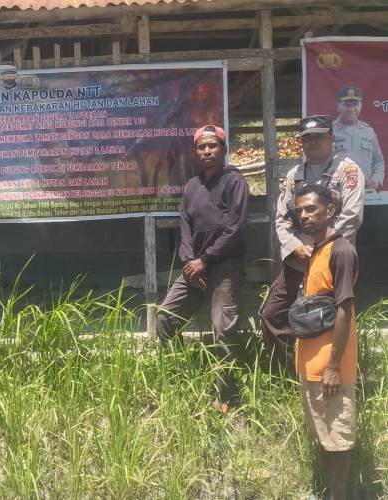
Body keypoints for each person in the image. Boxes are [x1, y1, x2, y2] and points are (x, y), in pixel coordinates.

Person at [155, 125, 249, 411]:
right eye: (201, 147)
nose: (207, 151)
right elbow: (185, 228)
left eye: (213, 146)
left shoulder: (235, 182)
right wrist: (189, 264)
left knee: (223, 329)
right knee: (164, 319)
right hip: (194, 268)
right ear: (195, 152)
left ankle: (225, 396)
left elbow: (235, 229)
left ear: (223, 149)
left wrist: (205, 260)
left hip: (224, 266)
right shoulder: (192, 186)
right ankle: (189, 375)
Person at [260, 115, 364, 370]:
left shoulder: (348, 171)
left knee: (331, 316)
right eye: (307, 138)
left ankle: (338, 372)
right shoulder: (295, 175)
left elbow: (352, 217)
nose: (313, 141)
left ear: (331, 138)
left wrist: (320, 248)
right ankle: (292, 373)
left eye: (319, 136)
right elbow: (282, 218)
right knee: (272, 314)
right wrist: (294, 246)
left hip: (332, 260)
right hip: (299, 257)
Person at [293, 184, 358, 500]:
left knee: (338, 441)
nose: (304, 215)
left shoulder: (341, 251)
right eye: (300, 210)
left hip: (331, 371)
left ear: (330, 211)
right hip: (312, 368)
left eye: (311, 209)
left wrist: (333, 366)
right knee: (323, 438)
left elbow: (344, 308)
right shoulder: (315, 250)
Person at [332, 86, 384, 191]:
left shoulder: (368, 131)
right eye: (347, 105)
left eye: (355, 104)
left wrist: (376, 180)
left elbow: (378, 160)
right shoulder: (329, 131)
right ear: (338, 106)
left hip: (365, 191)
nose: (351, 109)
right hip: (337, 192)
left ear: (361, 106)